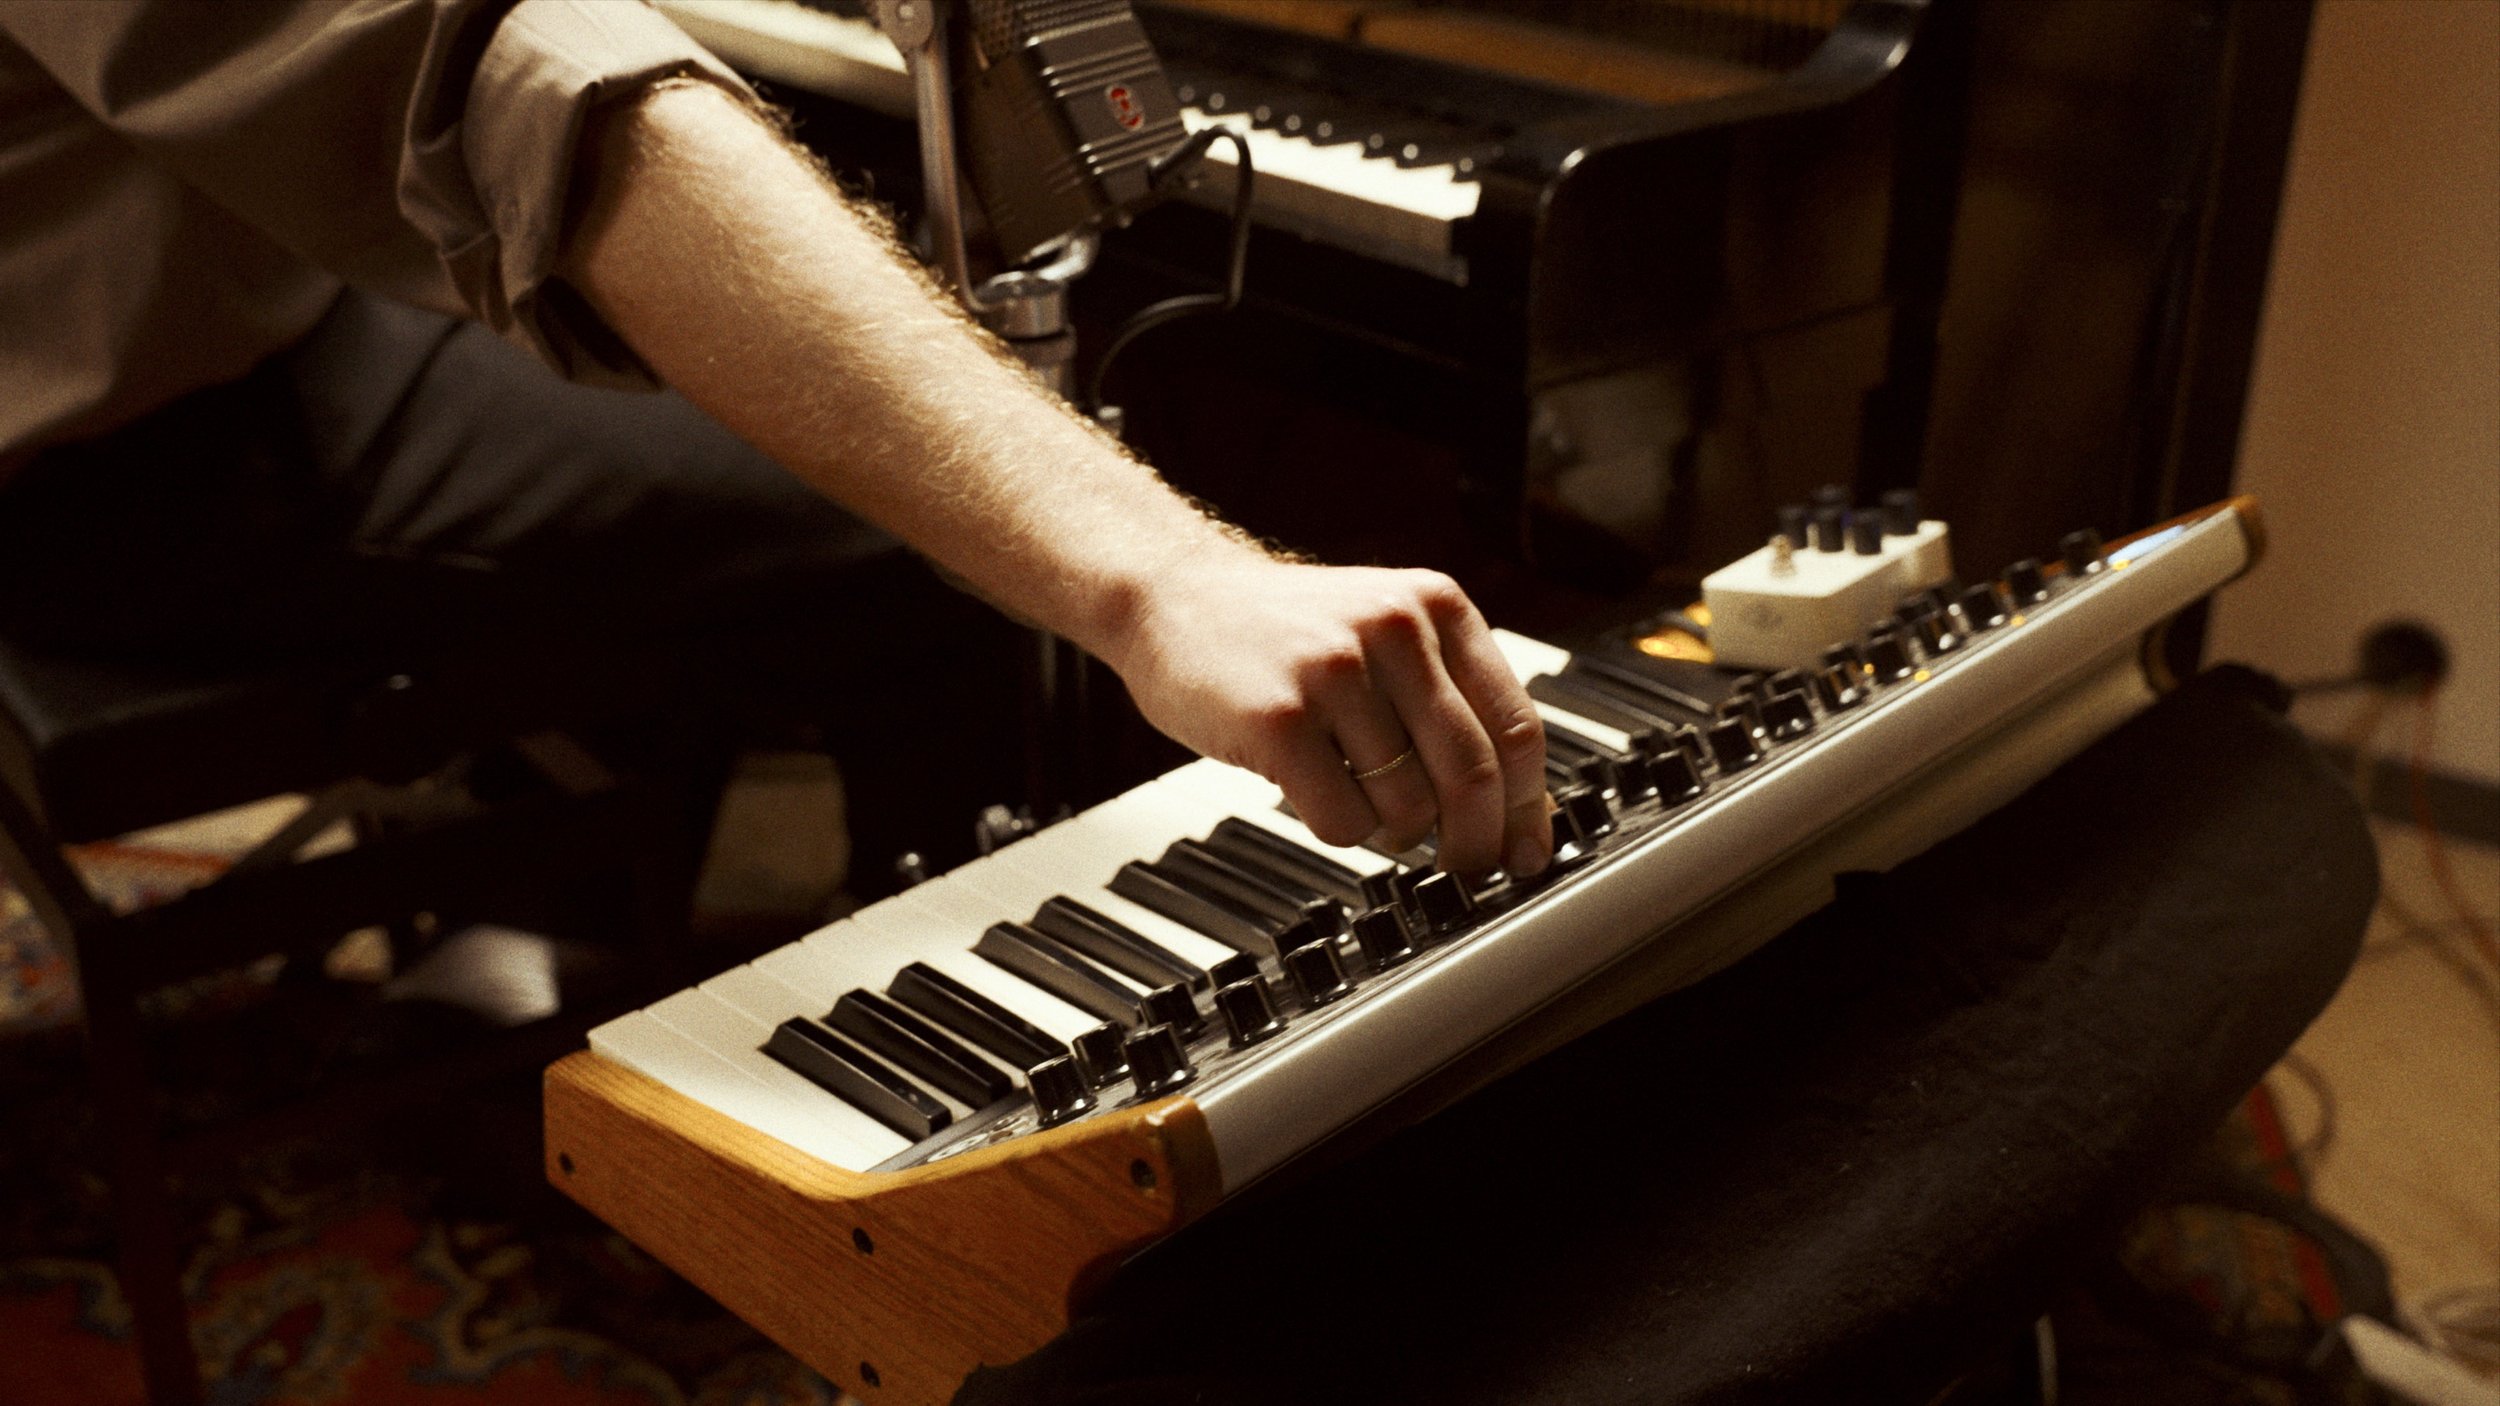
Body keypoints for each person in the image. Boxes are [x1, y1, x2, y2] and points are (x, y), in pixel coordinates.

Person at [0, 0, 1554, 882]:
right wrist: (1160, 575)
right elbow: (503, 77)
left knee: (702, 367)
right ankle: (920, 1083)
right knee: (904, 523)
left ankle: (568, 879)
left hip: (223, 309)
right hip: (117, 466)